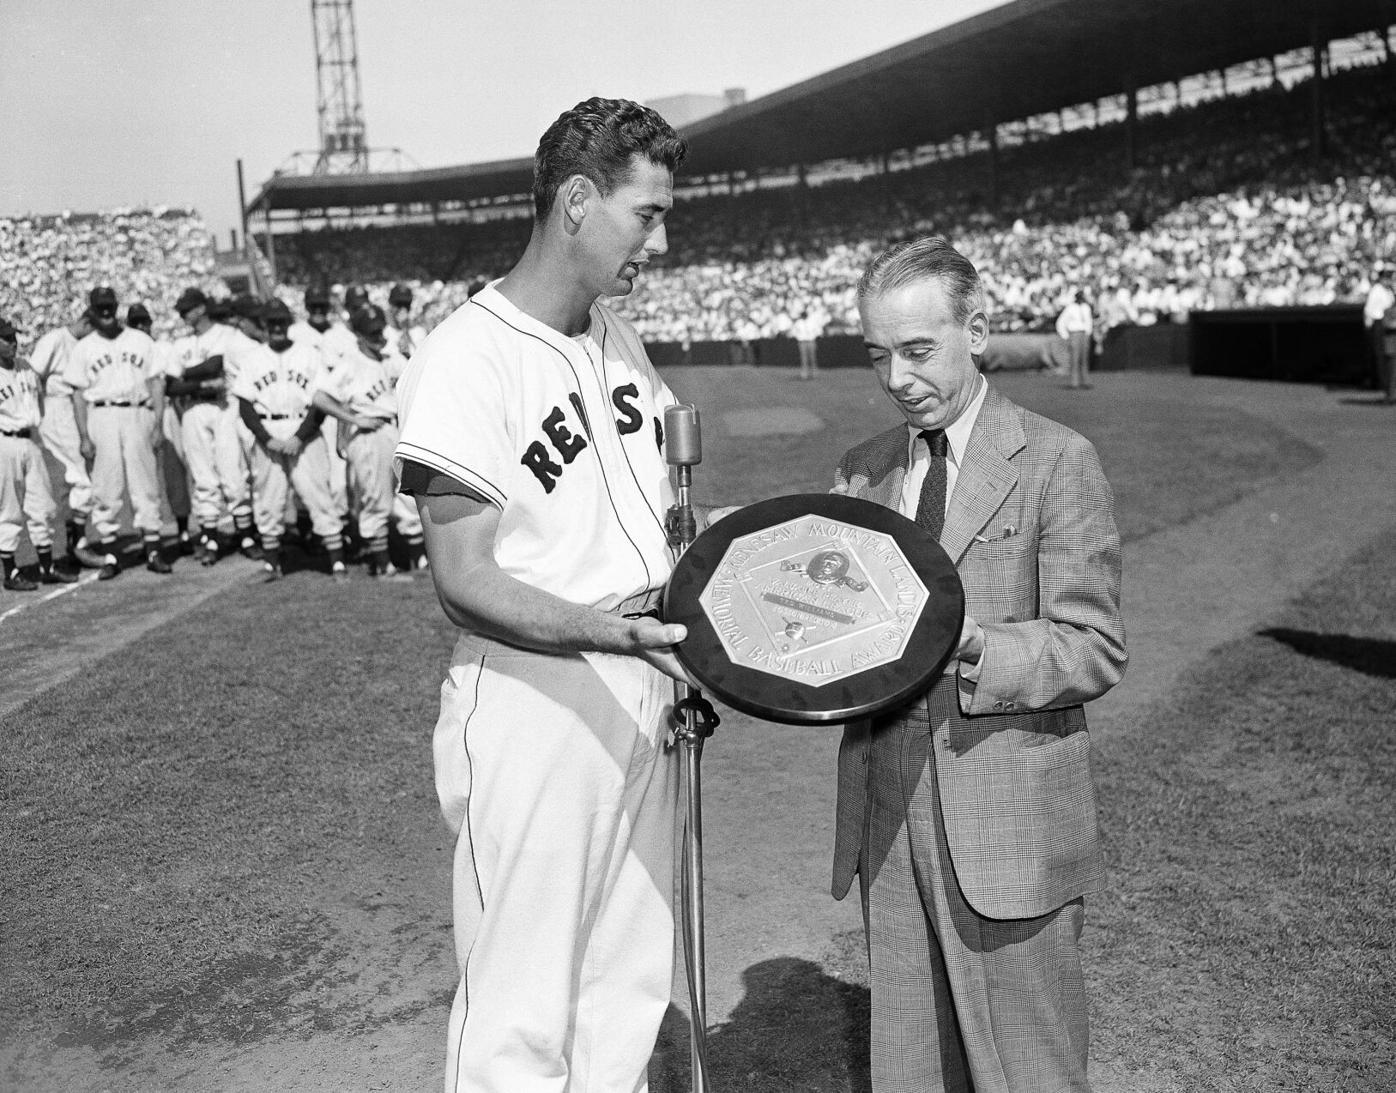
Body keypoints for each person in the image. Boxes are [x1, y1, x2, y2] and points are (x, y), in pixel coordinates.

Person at [392, 96, 705, 1092]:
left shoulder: (617, 336)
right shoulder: (466, 356)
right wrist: (614, 631)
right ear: (576, 200)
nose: (660, 238)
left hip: (641, 681)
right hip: (536, 696)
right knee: (520, 1009)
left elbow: (667, 515)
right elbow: (463, 575)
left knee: (624, 979)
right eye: (645, 213)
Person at [831, 237, 1126, 1093]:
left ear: (980, 330)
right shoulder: (865, 466)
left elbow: (1094, 644)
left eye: (918, 350)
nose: (896, 376)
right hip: (886, 807)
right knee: (910, 1065)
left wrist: (971, 642)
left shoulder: (1057, 458)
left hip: (1008, 815)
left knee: (1026, 1069)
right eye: (877, 354)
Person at [232, 299, 345, 581]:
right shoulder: (252, 359)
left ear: (289, 324)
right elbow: (245, 406)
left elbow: (321, 402)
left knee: (318, 494)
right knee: (268, 499)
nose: (277, 327)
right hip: (269, 433)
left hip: (303, 432)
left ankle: (338, 563)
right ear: (264, 326)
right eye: (272, 323)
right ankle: (272, 564)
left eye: (282, 321)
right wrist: (265, 438)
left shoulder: (309, 354)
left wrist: (299, 437)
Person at [63, 286, 170, 579]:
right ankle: (111, 553)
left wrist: (158, 424)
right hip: (102, 413)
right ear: (92, 310)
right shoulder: (84, 347)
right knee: (105, 485)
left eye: (109, 306)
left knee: (144, 481)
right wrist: (84, 436)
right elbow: (78, 395)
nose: (106, 312)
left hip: (138, 411)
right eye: (100, 307)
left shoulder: (139, 340)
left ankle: (153, 549)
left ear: (116, 306)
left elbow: (157, 384)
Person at [311, 303, 418, 578]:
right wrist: (353, 420)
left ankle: (417, 560)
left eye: (380, 331)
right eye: (371, 333)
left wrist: (409, 351)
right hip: (370, 434)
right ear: (357, 334)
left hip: (396, 428)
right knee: (376, 497)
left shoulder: (390, 357)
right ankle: (383, 566)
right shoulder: (348, 363)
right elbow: (320, 398)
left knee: (408, 497)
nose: (378, 337)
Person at [168, 287, 258, 564]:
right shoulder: (180, 343)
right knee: (203, 475)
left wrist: (188, 374)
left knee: (233, 472)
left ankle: (246, 535)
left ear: (201, 309)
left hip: (225, 409)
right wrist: (199, 381)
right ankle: (210, 537)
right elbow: (172, 385)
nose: (184, 315)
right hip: (194, 410)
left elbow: (216, 365)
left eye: (187, 310)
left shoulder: (225, 334)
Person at [0, 316, 75, 590]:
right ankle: (10, 573)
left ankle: (47, 566)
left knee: (42, 504)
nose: (12, 342)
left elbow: (39, 404)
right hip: (4, 443)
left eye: (13, 337)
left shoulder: (25, 368)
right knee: (8, 509)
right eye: (6, 338)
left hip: (29, 440)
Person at [26, 310, 102, 570]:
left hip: (75, 408)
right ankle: (78, 543)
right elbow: (34, 374)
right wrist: (36, 412)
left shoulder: (81, 344)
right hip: (57, 408)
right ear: (86, 322)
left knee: (79, 476)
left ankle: (75, 541)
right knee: (83, 475)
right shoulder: (56, 339)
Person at [1363, 266, 1395, 403]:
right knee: (1383, 357)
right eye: (1387, 278)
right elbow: (1369, 310)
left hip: (1391, 326)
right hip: (1380, 325)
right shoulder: (1376, 290)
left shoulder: (1390, 291)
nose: (1389, 280)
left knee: (1391, 360)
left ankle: (1391, 390)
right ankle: (1387, 390)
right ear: (1382, 278)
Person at [1055, 289, 1094, 389]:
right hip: (1074, 333)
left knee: (1084, 359)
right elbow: (1060, 322)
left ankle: (1085, 381)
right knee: (1075, 359)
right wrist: (1066, 336)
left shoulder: (1086, 307)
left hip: (1084, 334)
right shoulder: (1070, 308)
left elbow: (1089, 321)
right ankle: (1074, 382)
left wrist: (1088, 333)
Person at [385, 282, 427, 360]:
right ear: (390, 304)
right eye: (398, 304)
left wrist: (405, 330)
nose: (402, 308)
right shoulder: (383, 332)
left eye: (406, 304)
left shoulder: (419, 332)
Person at [792, 306, 825, 379]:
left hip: (811, 341)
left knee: (812, 357)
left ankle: (814, 373)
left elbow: (818, 330)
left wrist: (812, 336)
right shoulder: (798, 322)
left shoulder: (812, 322)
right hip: (802, 341)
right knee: (804, 358)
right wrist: (799, 337)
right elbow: (794, 332)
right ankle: (804, 374)